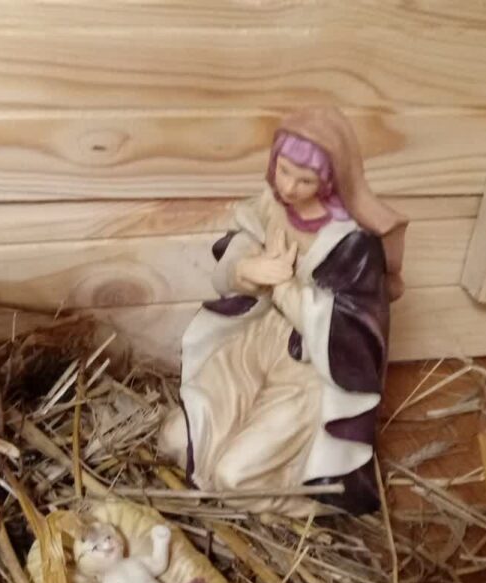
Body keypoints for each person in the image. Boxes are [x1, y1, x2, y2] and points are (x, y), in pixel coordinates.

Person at [158, 107, 408, 515]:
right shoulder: (269, 205)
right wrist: (245, 269)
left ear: (330, 179)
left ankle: (299, 505)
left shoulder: (352, 244)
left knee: (233, 478)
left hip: (308, 372)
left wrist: (283, 286)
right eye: (283, 170)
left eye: (304, 179)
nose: (288, 186)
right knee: (175, 440)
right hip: (253, 345)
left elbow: (349, 334)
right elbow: (234, 255)